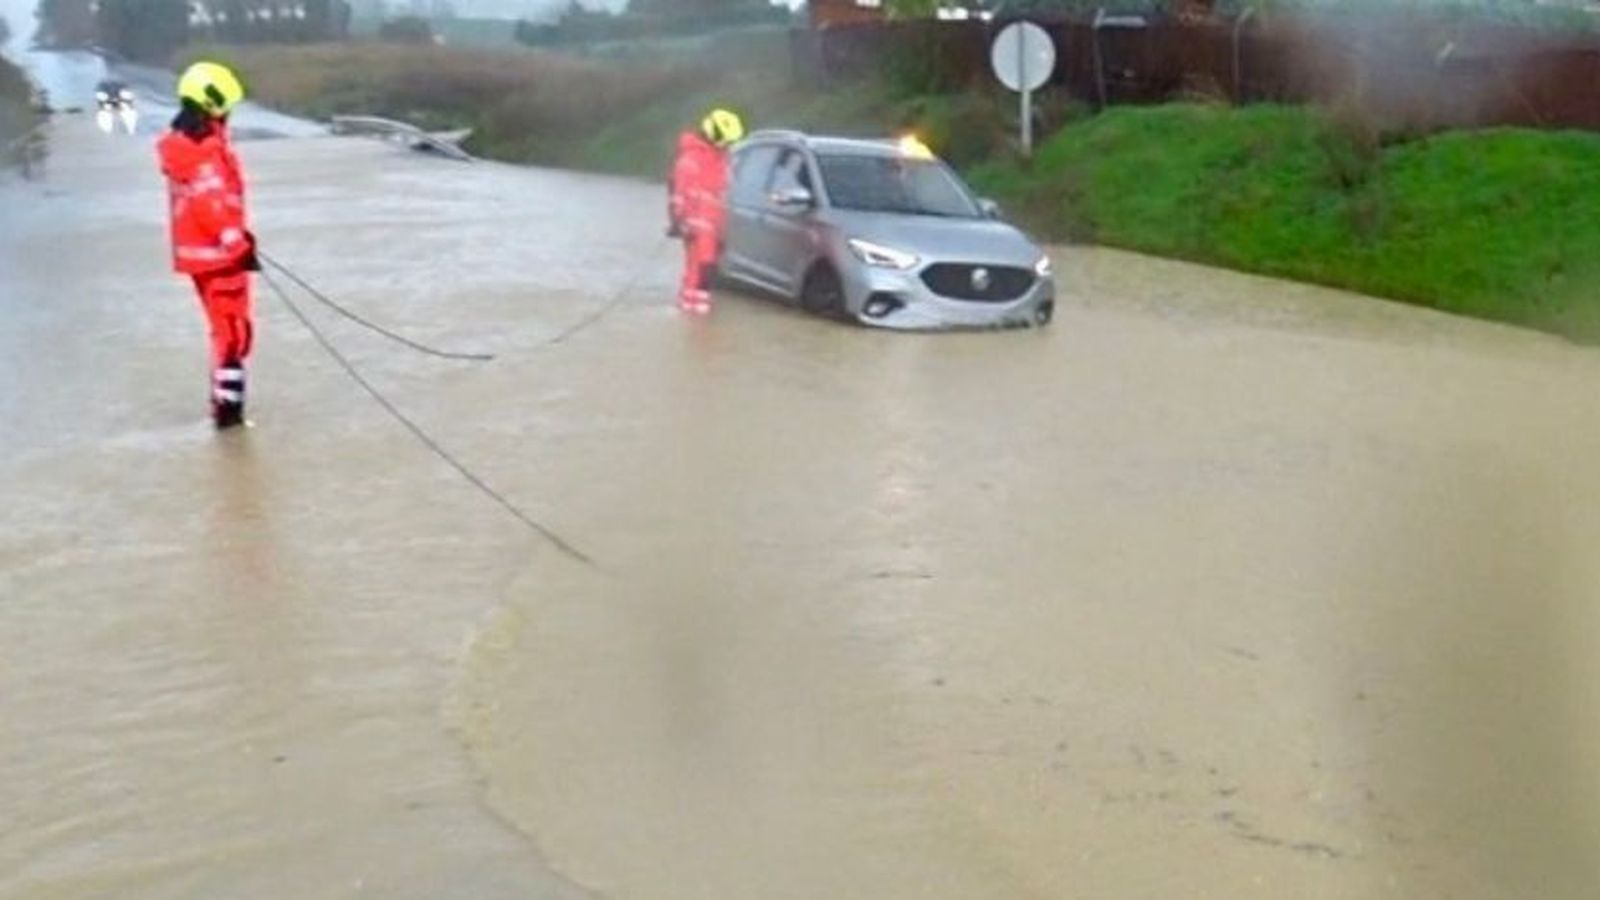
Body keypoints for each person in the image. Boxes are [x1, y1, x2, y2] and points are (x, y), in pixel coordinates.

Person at [157, 61, 258, 430]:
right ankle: (229, 417)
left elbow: (207, 205)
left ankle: (225, 408)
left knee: (224, 331)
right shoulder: (205, 150)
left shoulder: (183, 147)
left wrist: (240, 238)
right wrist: (236, 243)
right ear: (214, 105)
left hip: (203, 256)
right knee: (232, 334)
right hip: (220, 257)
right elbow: (211, 203)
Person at [668, 108, 744, 315]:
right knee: (700, 270)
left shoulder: (720, 159)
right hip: (695, 226)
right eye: (725, 141)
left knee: (704, 272)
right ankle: (693, 317)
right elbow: (678, 192)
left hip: (711, 226)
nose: (727, 145)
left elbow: (722, 193)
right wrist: (679, 221)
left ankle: (695, 314)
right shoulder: (691, 159)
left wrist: (720, 229)